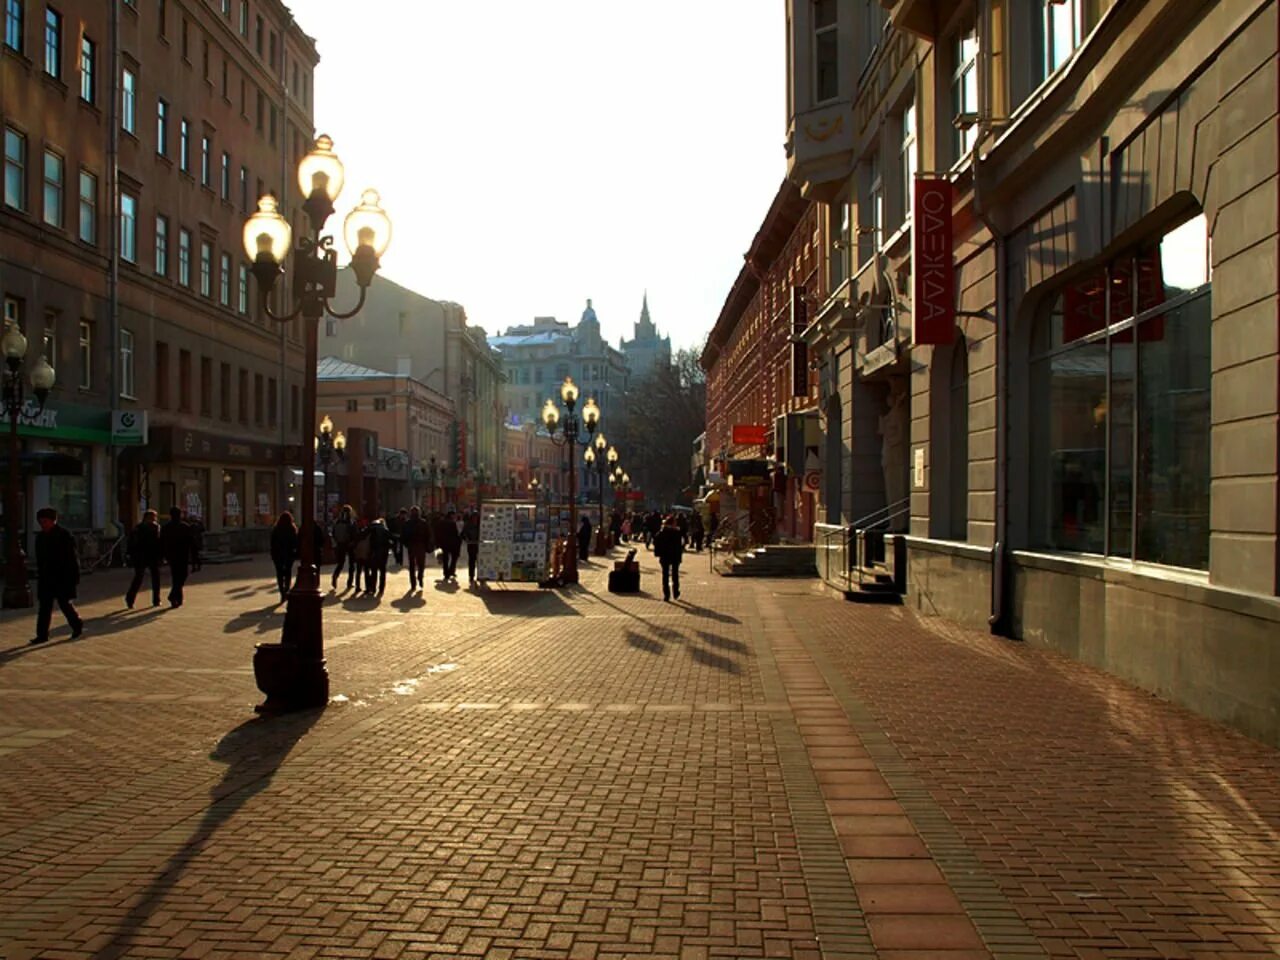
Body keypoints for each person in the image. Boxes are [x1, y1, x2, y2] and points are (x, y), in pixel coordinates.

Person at [30, 507, 83, 644]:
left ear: (53, 521)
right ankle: (42, 635)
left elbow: (72, 559)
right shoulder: (40, 537)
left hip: (62, 577)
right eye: (40, 522)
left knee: (65, 604)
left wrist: (74, 578)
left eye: (45, 521)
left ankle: (76, 625)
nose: (43, 525)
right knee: (44, 608)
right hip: (46, 578)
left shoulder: (64, 535)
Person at [160, 506, 201, 607]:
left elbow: (161, 543)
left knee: (176, 577)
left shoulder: (166, 527)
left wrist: (162, 555)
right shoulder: (184, 527)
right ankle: (174, 596)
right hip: (182, 555)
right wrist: (195, 559)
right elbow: (192, 543)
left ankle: (177, 598)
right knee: (181, 576)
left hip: (172, 555)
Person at [125, 509, 163, 609]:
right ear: (147, 518)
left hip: (150, 556)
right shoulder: (139, 529)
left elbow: (160, 543)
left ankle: (156, 599)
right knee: (140, 578)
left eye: (154, 518)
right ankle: (130, 598)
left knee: (154, 578)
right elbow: (132, 543)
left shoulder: (155, 528)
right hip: (142, 556)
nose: (154, 519)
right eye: (153, 517)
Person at [653, 515, 685, 603]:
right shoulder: (677, 532)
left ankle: (666, 595)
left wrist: (658, 553)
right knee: (675, 574)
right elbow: (681, 544)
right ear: (672, 523)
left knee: (665, 575)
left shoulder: (661, 532)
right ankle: (676, 592)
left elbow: (655, 542)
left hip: (665, 556)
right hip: (675, 556)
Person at [269, 511, 299, 601]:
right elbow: (295, 542)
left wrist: (273, 553)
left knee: (279, 574)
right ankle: (286, 590)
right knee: (288, 572)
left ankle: (282, 592)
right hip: (289, 554)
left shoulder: (276, 529)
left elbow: (272, 543)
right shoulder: (292, 529)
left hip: (278, 554)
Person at [329, 504, 357, 591]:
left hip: (340, 544)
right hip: (350, 544)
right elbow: (355, 534)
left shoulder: (337, 521)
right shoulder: (351, 522)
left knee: (340, 563)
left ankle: (335, 575)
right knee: (351, 564)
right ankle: (349, 582)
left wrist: (337, 541)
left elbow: (333, 533)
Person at [403, 506, 430, 590]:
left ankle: (413, 583)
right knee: (421, 564)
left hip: (411, 546)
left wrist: (407, 544)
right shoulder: (423, 523)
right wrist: (427, 545)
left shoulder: (407, 523)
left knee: (412, 565)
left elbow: (403, 536)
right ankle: (420, 577)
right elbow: (428, 535)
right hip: (421, 546)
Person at [364, 517, 391, 596]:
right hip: (383, 554)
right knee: (382, 571)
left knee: (374, 571)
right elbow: (390, 540)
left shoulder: (371, 529)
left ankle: (373, 588)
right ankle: (381, 588)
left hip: (373, 552)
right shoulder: (385, 530)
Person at [435, 510, 462, 583]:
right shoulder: (452, 523)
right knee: (454, 558)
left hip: (444, 543)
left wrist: (438, 543)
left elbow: (437, 533)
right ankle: (451, 571)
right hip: (452, 543)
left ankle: (446, 573)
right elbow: (455, 534)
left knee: (445, 559)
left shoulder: (441, 523)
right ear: (451, 515)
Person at [462, 509, 481, 586]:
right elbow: (463, 534)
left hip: (480, 545)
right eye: (474, 517)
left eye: (476, 517)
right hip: (471, 545)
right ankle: (471, 575)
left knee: (480, 560)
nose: (475, 519)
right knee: (472, 561)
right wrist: (467, 539)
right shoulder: (467, 525)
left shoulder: (481, 524)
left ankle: (480, 575)